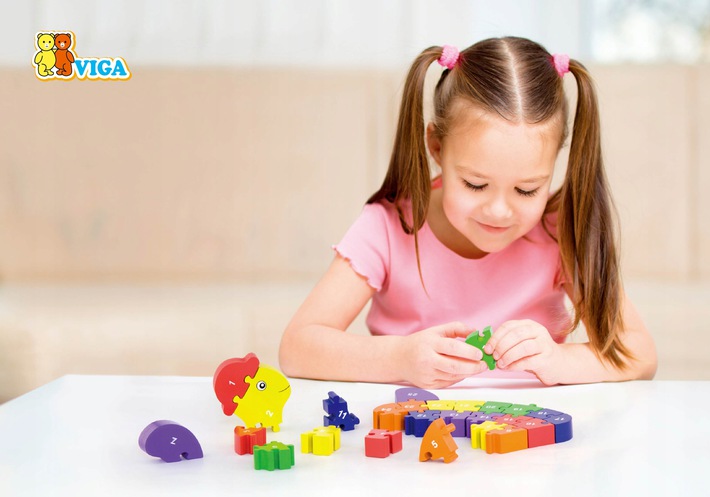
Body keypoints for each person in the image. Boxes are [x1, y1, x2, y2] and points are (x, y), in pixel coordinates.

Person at [279, 37, 657, 388]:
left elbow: (639, 353)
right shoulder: (388, 227)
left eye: (527, 189)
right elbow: (297, 347)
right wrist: (398, 358)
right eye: (475, 184)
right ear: (436, 147)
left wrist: (561, 360)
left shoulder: (559, 231)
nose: (499, 211)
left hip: (529, 433)